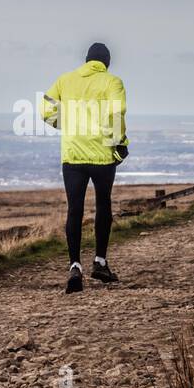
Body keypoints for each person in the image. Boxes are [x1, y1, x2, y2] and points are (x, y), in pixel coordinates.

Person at [40, 42, 128, 294]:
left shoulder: (65, 80)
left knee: (74, 209)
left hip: (73, 155)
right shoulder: (113, 82)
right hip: (102, 155)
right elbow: (117, 112)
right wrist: (119, 143)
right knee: (103, 204)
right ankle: (100, 262)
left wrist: (64, 124)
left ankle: (74, 266)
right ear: (106, 63)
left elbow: (45, 109)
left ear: (87, 60)